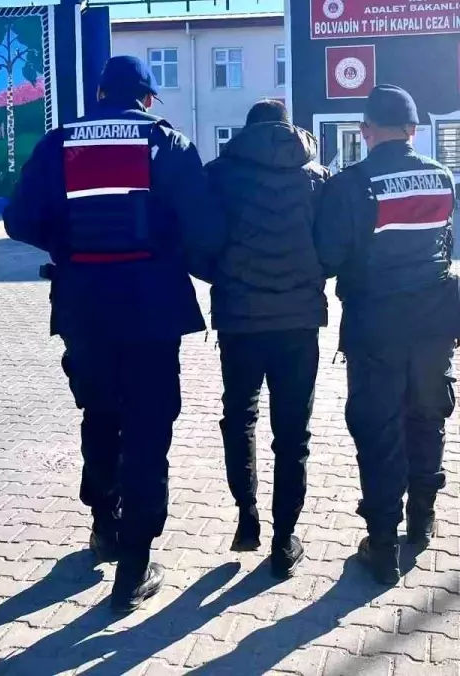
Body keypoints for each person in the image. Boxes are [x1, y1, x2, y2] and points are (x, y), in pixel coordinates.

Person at [2, 55, 223, 614]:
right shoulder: (167, 143)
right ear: (146, 98)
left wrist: (69, 246)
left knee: (100, 414)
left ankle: (105, 524)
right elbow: (204, 229)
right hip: (151, 308)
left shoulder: (59, 143)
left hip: (84, 307)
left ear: (100, 95)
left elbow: (19, 219)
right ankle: (135, 565)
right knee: (148, 428)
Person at [313, 84, 460, 585]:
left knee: (378, 428)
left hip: (376, 326)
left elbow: (328, 257)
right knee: (427, 416)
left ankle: (383, 545)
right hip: (434, 322)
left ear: (366, 130)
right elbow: (446, 242)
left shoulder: (352, 183)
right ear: (412, 130)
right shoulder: (441, 176)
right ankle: (422, 519)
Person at [204, 99, 328, 579]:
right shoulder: (316, 177)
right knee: (293, 434)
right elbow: (332, 245)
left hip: (239, 319)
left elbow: (198, 240)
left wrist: (223, 276)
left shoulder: (220, 175)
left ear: (248, 129)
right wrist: (312, 273)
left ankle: (247, 514)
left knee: (240, 417)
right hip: (298, 322)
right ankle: (284, 539)